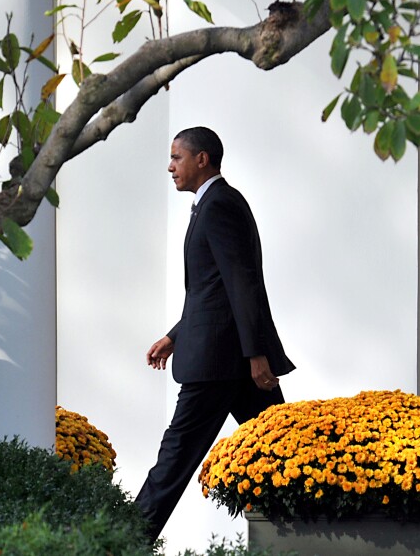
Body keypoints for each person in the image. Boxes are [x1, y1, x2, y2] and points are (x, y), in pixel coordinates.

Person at [135, 126, 295, 543]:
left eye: (177, 158)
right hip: (228, 357)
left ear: (202, 159)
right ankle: (310, 532)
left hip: (221, 364)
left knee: (173, 463)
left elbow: (241, 283)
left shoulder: (220, 204)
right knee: (282, 451)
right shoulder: (213, 205)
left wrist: (256, 353)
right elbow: (213, 289)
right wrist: (175, 335)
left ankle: (119, 543)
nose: (170, 167)